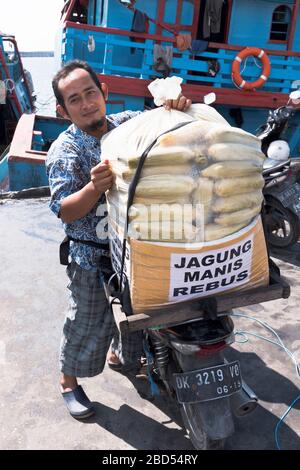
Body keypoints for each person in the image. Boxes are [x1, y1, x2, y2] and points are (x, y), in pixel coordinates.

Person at [46, 59, 192, 420]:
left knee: (139, 314)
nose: (86, 103)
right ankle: (68, 381)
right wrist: (93, 187)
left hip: (136, 247)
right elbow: (64, 210)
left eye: (90, 93)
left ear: (104, 92)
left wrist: (176, 106)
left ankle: (121, 356)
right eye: (74, 99)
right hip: (92, 255)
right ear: (64, 111)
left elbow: (164, 123)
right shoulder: (65, 151)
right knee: (86, 320)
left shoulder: (129, 124)